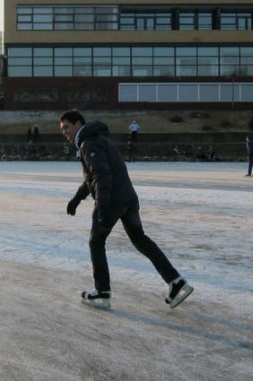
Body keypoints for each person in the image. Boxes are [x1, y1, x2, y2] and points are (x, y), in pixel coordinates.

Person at [60, 110, 193, 310]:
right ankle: (176, 282)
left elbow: (102, 177)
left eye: (67, 127)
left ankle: (102, 292)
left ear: (78, 124)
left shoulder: (89, 143)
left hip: (113, 201)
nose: (64, 132)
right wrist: (77, 199)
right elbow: (93, 177)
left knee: (96, 242)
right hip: (128, 199)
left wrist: (102, 207)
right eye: (62, 129)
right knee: (141, 240)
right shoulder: (97, 139)